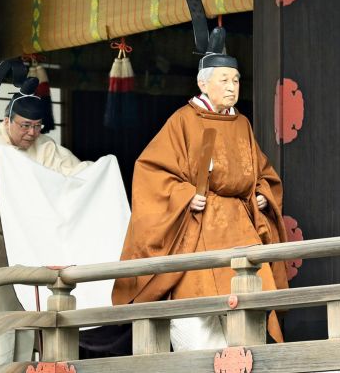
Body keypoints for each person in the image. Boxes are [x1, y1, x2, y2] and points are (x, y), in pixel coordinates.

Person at [0, 85, 129, 371]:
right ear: (7, 121)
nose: (31, 133)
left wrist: (100, 170)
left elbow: (74, 179)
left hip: (27, 254)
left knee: (24, 328)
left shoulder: (46, 149)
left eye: (37, 127)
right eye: (25, 125)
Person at [111, 52, 289, 351]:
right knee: (198, 326)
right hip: (199, 227)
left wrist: (261, 194)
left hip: (240, 228)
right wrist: (185, 196)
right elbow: (151, 172)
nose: (232, 87)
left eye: (236, 80)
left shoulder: (241, 123)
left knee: (249, 324)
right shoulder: (183, 120)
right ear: (202, 84)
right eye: (224, 80)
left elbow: (262, 172)